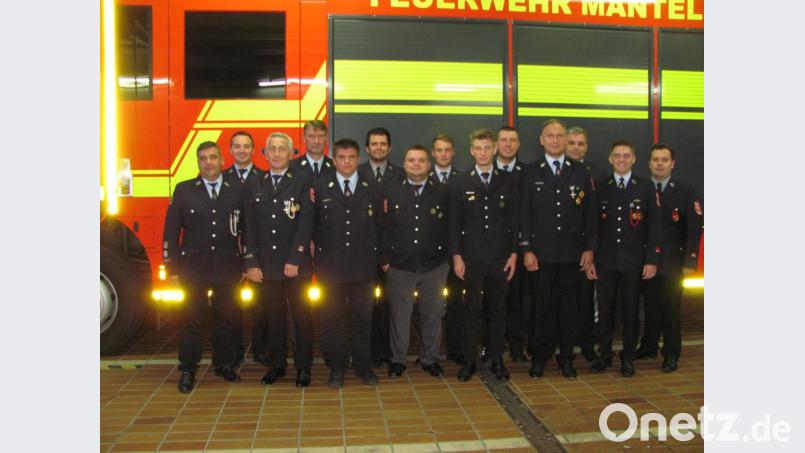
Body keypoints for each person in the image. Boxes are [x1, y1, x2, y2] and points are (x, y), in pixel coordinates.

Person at [162, 141, 245, 393]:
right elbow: (171, 232)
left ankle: (223, 364)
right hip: (193, 268)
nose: (208, 162)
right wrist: (172, 269)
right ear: (198, 163)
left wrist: (246, 263)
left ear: (222, 160)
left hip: (227, 266)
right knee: (191, 322)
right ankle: (188, 369)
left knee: (225, 320)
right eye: (203, 158)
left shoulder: (237, 189)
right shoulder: (184, 190)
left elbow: (247, 229)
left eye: (212, 157)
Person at [519, 119, 597, 380]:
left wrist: (589, 248)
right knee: (541, 308)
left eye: (560, 136)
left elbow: (590, 213)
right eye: (550, 136)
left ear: (565, 140)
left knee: (569, 309)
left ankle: (566, 357)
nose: (555, 140)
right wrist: (527, 249)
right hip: (540, 255)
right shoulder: (530, 171)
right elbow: (524, 214)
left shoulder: (581, 171)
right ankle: (539, 357)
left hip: (572, 254)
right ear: (541, 140)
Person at [243, 132, 315, 387]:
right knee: (273, 319)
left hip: (297, 266)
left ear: (291, 153)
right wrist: (251, 263)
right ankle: (277, 365)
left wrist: (295, 258)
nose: (276, 154)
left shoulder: (303, 180)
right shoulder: (255, 182)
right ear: (264, 153)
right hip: (267, 267)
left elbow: (307, 222)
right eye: (271, 149)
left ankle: (303, 367)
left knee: (302, 319)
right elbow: (248, 226)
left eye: (281, 149)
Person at [312, 138, 385, 388]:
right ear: (334, 160)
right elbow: (313, 225)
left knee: (362, 320)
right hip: (330, 268)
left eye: (351, 157)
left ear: (358, 159)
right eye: (341, 157)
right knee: (333, 320)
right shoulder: (320, 187)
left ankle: (363, 367)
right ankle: (337, 368)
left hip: (362, 267)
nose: (346, 162)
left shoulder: (372, 187)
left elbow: (379, 226)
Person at [449, 128, 518, 382]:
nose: (483, 152)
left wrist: (514, 253)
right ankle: (470, 360)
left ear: (495, 149)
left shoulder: (508, 180)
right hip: (471, 258)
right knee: (471, 310)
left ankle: (497, 359)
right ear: (471, 151)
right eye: (478, 148)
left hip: (500, 257)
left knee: (498, 309)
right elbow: (454, 223)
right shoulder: (460, 181)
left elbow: (515, 219)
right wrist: (456, 256)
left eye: (487, 148)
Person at [587, 140, 660, 378]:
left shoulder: (645, 187)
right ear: (610, 159)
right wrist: (591, 258)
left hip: (633, 261)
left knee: (631, 310)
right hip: (605, 261)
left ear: (634, 159)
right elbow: (593, 226)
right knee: (605, 310)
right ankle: (604, 354)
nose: (621, 160)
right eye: (617, 156)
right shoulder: (601, 186)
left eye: (626, 156)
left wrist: (651, 260)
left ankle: (627, 357)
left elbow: (653, 227)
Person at [381, 145, 451, 379]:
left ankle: (430, 359)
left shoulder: (443, 191)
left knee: (432, 315)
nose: (416, 164)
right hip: (399, 265)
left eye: (421, 160)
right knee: (399, 317)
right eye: (411, 160)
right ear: (404, 164)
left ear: (429, 165)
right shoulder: (390, 190)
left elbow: (451, 227)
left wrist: (447, 261)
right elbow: (380, 227)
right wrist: (384, 260)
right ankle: (398, 360)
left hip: (434, 265)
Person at [634, 144, 703, 372]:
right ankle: (649, 346)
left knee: (671, 309)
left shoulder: (685, 191)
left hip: (672, 262)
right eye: (655, 159)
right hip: (646, 262)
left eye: (664, 160)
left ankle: (672, 352)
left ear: (672, 164)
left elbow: (693, 229)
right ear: (649, 163)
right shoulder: (641, 188)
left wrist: (690, 261)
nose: (659, 164)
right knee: (650, 307)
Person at [222, 130, 268, 368]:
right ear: (230, 150)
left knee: (261, 306)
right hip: (229, 253)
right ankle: (234, 351)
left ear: (253, 150)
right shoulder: (221, 178)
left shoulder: (264, 177)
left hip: (259, 253)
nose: (242, 150)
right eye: (237, 146)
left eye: (246, 146)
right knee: (231, 306)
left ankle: (261, 350)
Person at [357, 127, 402, 368]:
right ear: (367, 148)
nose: (378, 147)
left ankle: (387, 351)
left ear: (389, 147)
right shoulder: (356, 172)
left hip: (392, 252)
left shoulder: (401, 174)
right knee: (364, 306)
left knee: (389, 304)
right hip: (362, 252)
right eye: (374, 144)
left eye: (383, 143)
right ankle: (367, 352)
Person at [491, 126, 528, 363]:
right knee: (490, 302)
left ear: (518, 145)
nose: (508, 144)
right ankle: (489, 347)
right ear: (496, 145)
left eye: (512, 140)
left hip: (519, 248)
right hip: (491, 249)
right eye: (503, 140)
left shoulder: (528, 173)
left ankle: (516, 346)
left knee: (517, 299)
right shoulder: (486, 171)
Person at [564, 126, 601, 362]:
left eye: (581, 143)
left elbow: (598, 216)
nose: (576, 148)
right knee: (562, 299)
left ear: (586, 147)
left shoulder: (597, 173)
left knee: (587, 299)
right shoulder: (555, 172)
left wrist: (593, 249)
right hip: (561, 250)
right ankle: (563, 341)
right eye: (572, 143)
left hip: (586, 248)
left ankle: (587, 343)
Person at [428, 134, 465, 365]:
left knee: (456, 303)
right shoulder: (422, 177)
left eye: (447, 150)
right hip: (430, 252)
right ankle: (429, 350)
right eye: (439, 150)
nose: (443, 154)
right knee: (430, 306)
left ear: (453, 152)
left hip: (457, 252)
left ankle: (455, 349)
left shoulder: (463, 179)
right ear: (433, 153)